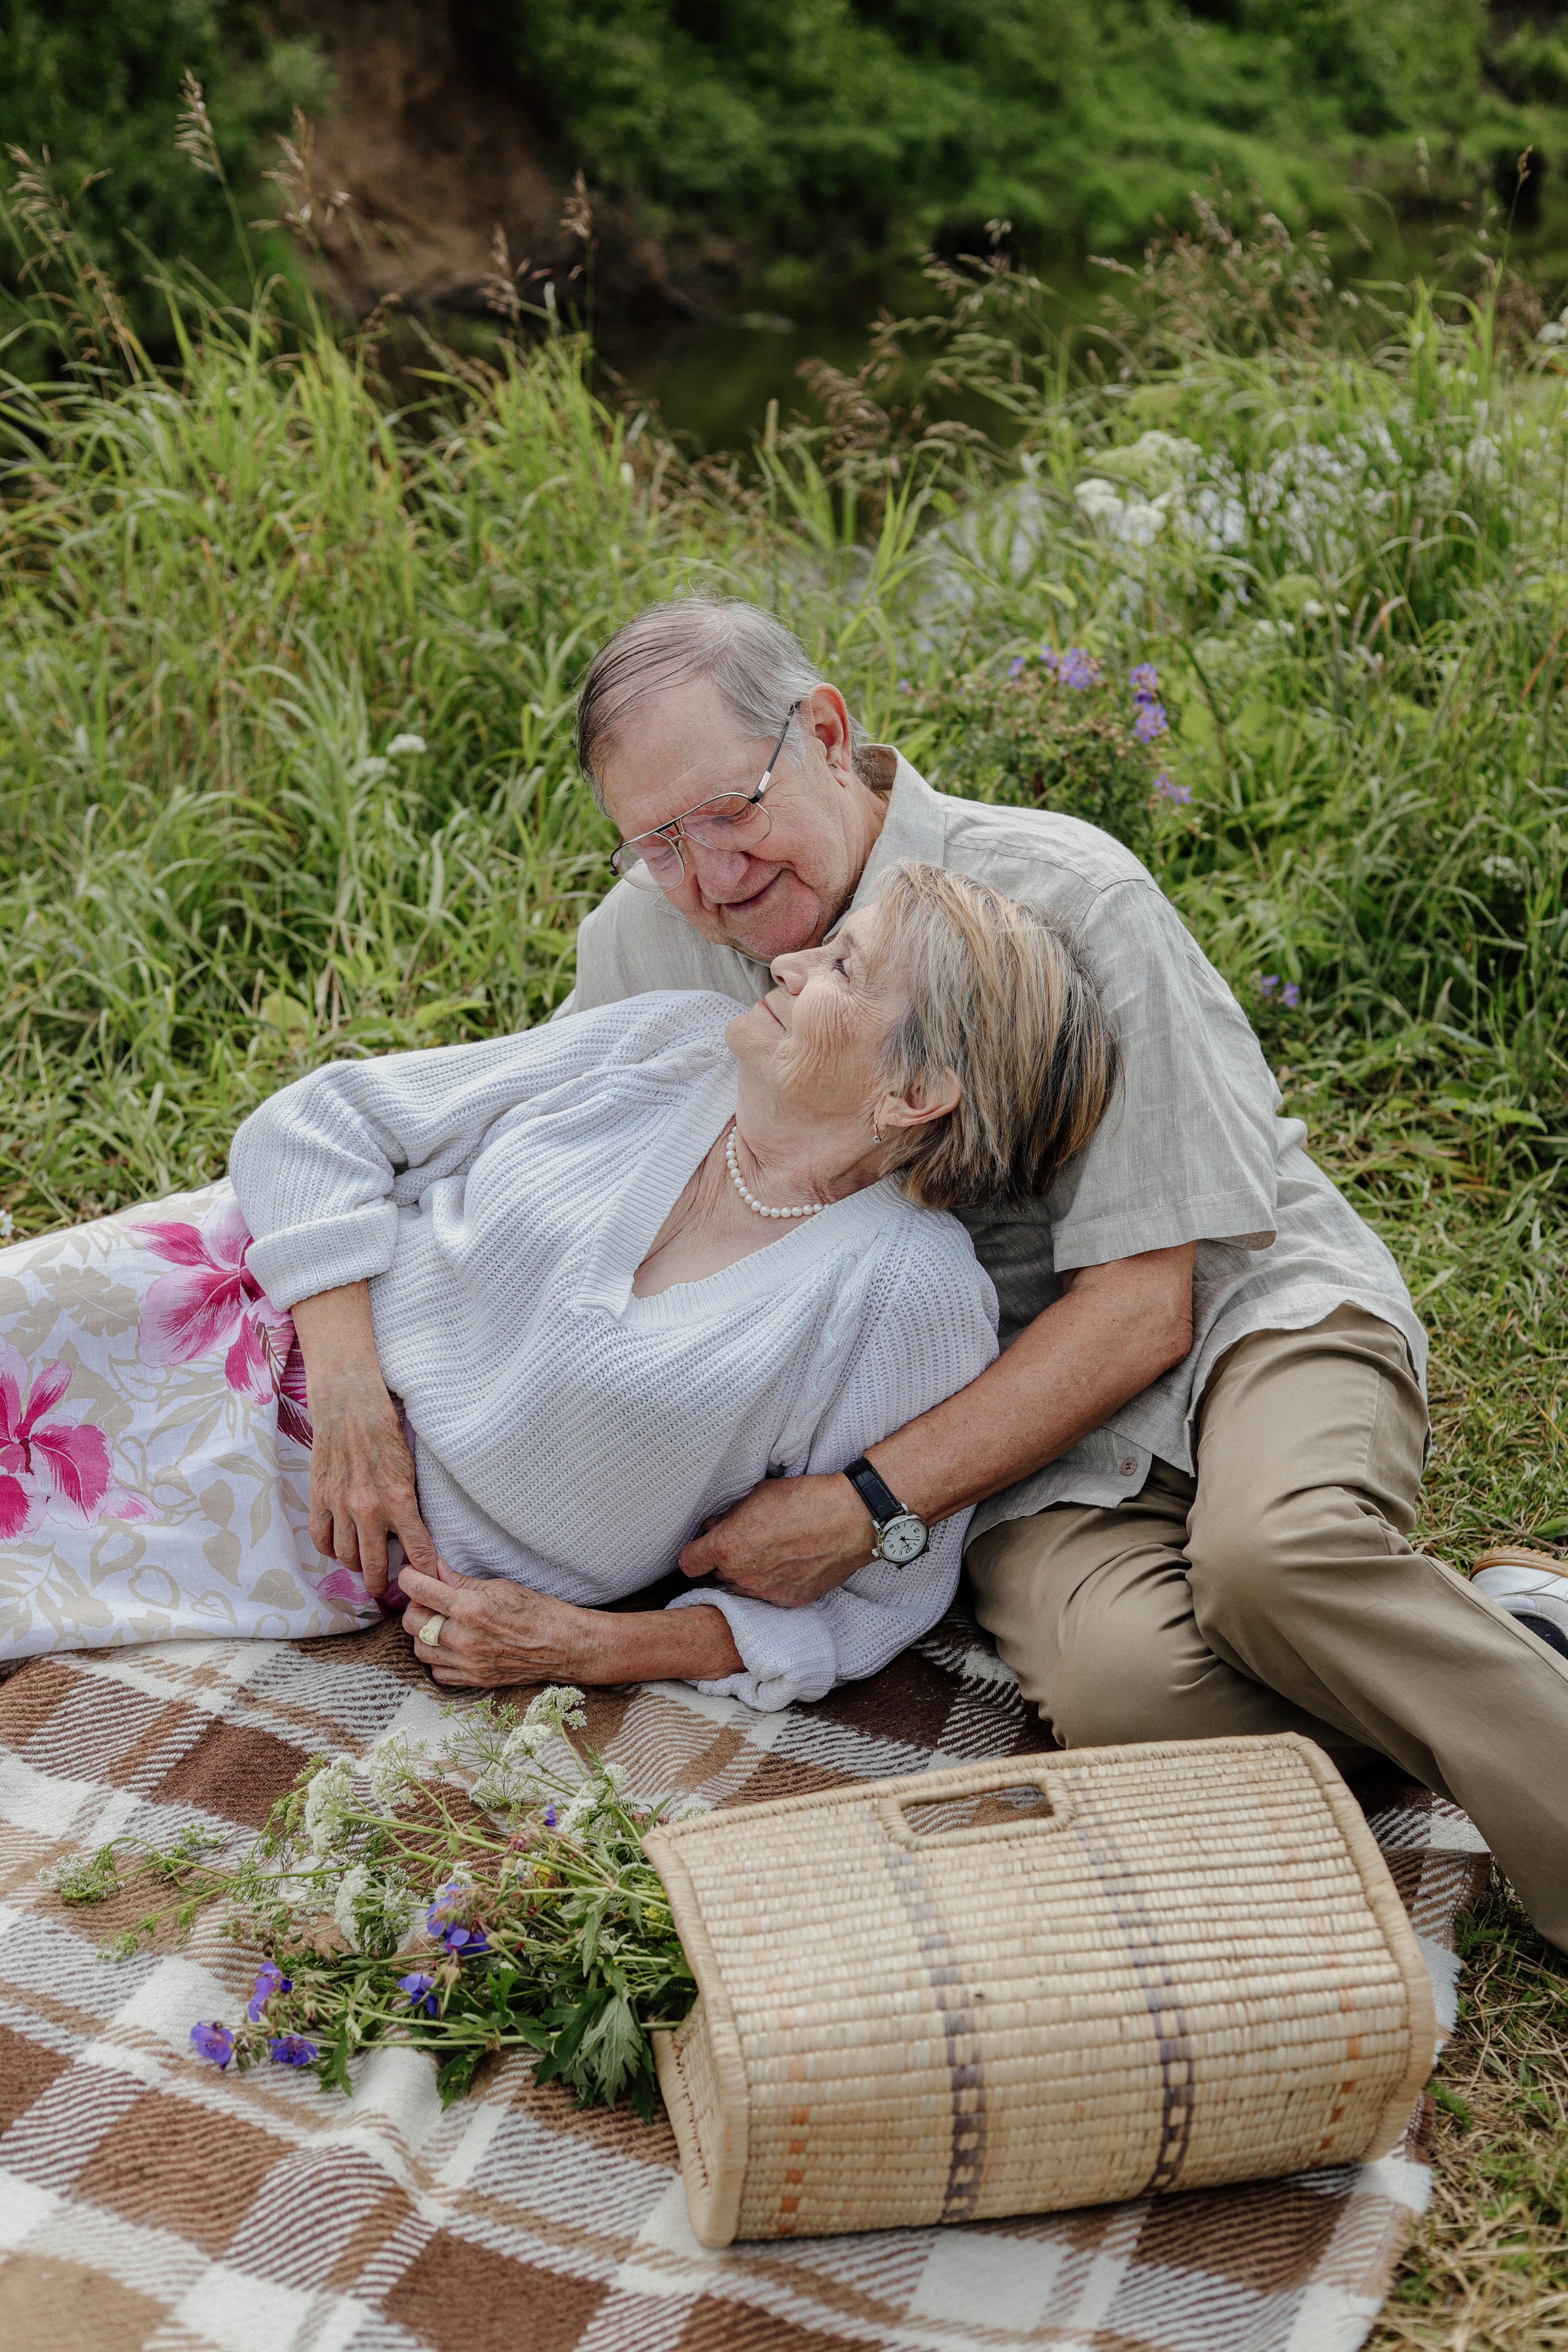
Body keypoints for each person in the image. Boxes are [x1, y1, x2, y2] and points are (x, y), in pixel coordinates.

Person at [558, 593, 1568, 1950]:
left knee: (1270, 1563)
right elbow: (553, 1167)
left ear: (824, 731)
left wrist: (863, 1506)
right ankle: (1501, 1644)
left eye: (731, 810)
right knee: (1126, 1698)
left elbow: (1145, 1303)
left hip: (1236, 1316)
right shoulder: (639, 945)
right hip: (1003, 1439)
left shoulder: (1067, 892)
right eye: (657, 841)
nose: (711, 877)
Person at [0, 862, 1117, 1714]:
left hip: (295, 1532)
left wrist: (589, 1647)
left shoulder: (906, 1297)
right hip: (231, 1300)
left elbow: (867, 1602)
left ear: (914, 1092)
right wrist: (348, 1387)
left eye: (845, 970)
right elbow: (320, 1122)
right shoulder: (671, 1045)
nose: (789, 962)